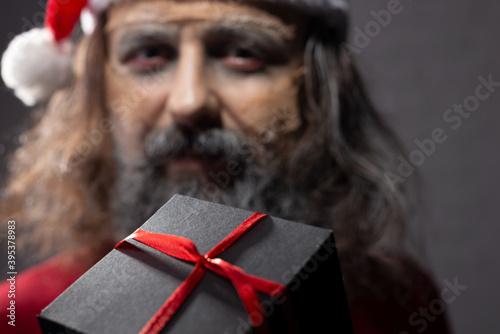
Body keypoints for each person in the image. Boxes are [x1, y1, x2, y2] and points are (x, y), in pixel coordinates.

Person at [0, 0, 451, 333]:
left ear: (317, 89)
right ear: (96, 90)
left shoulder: (399, 300)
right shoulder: (17, 318)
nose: (190, 102)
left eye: (241, 53)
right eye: (148, 54)